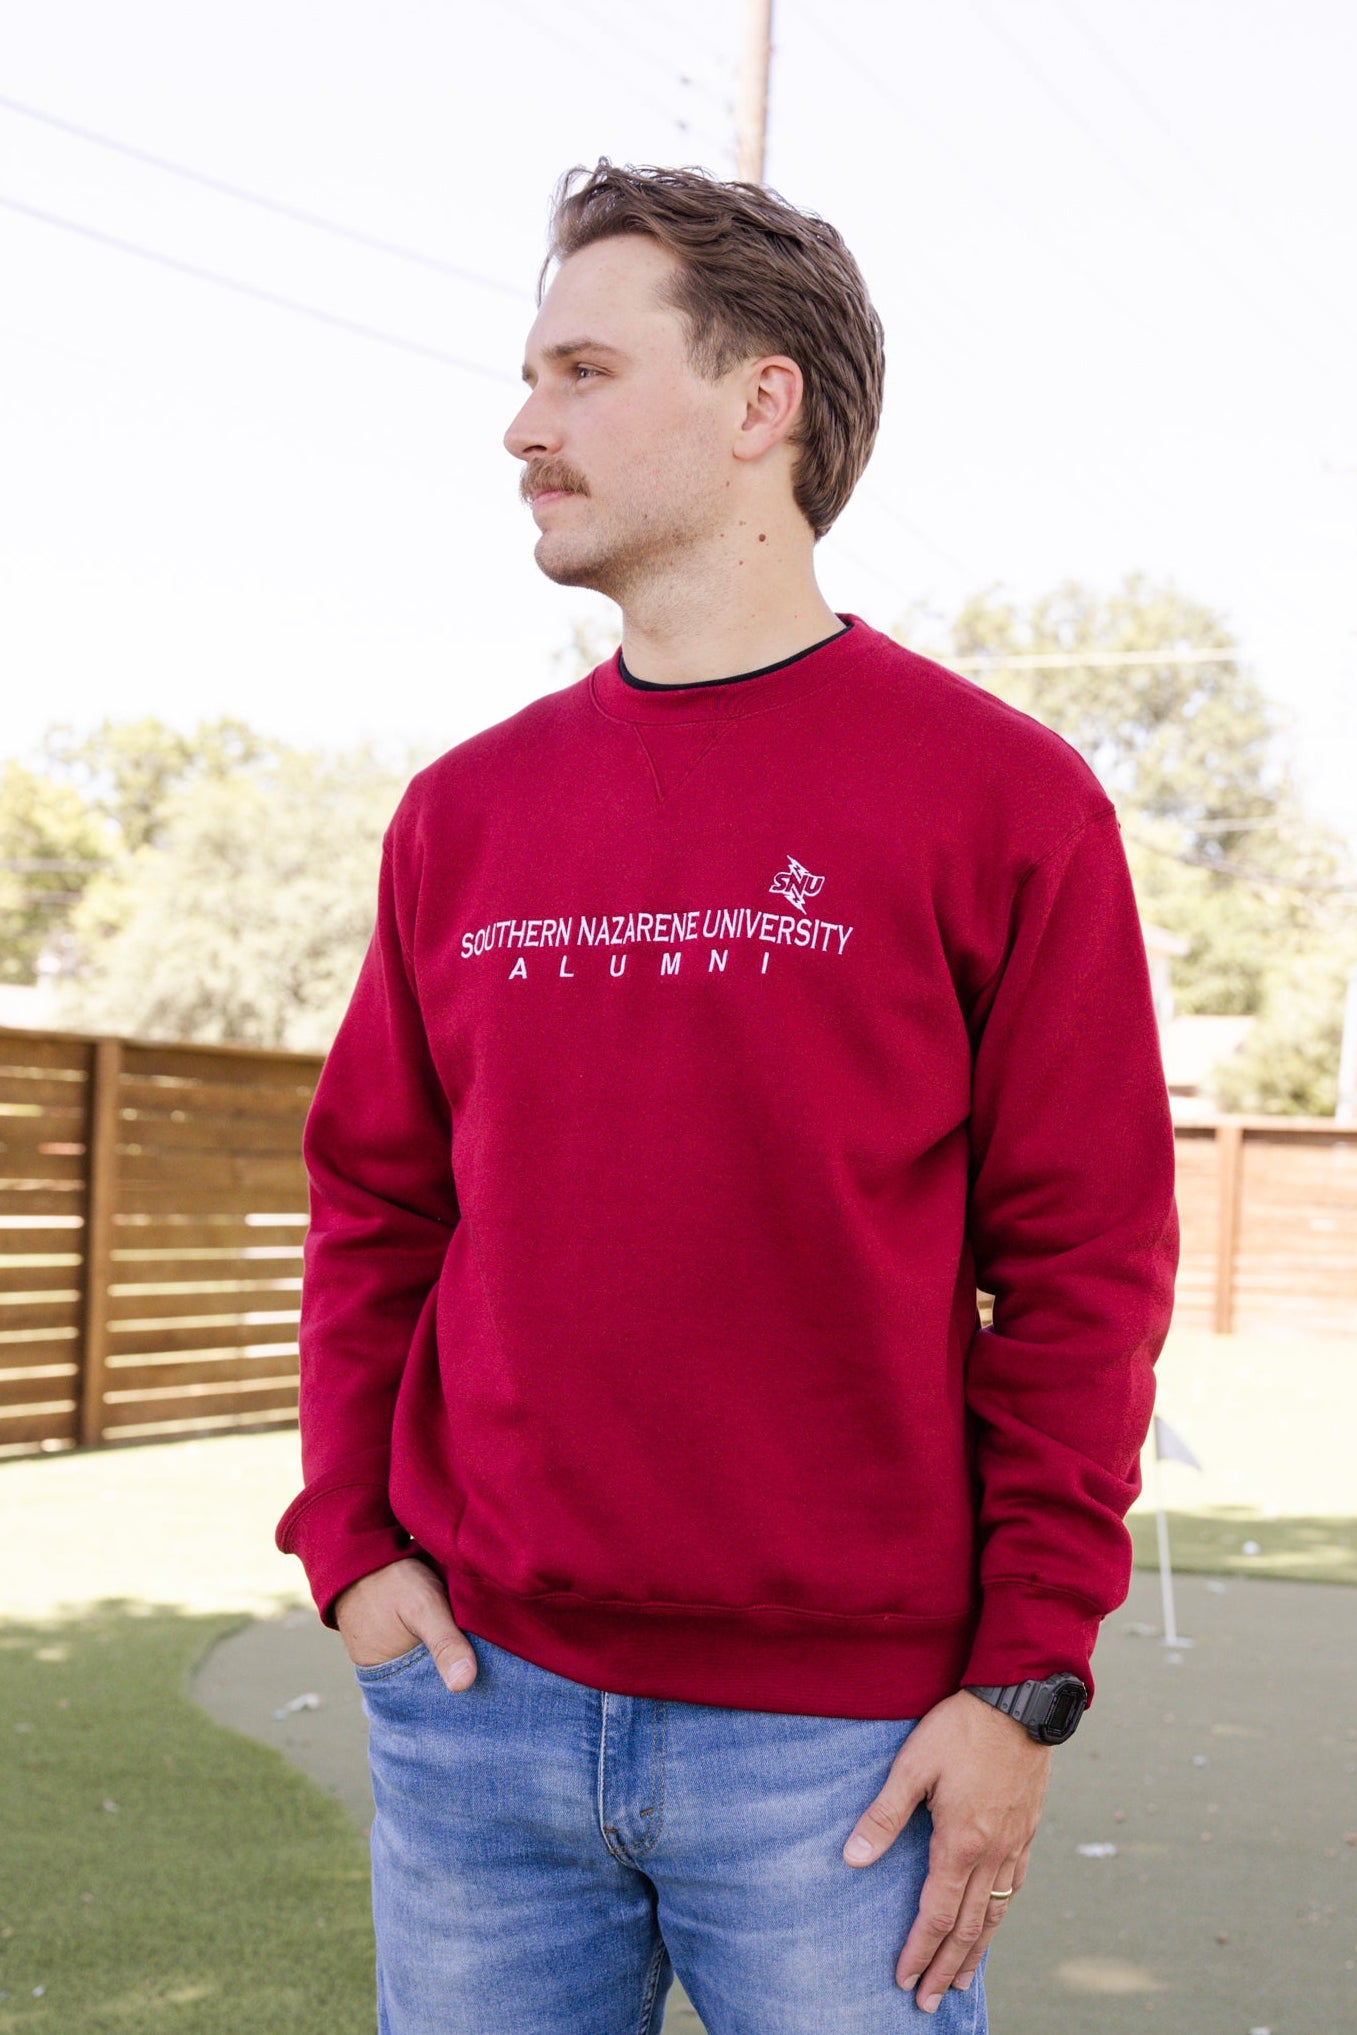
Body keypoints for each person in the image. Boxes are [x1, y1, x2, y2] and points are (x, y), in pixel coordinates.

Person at [276, 159, 1180, 2034]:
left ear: (763, 399)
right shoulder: (462, 811)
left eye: (584, 372)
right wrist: (353, 1549)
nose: (525, 426)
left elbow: (1086, 1266)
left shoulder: (999, 800)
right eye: (532, 377)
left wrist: (1022, 1682)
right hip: (477, 1711)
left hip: (841, 1755)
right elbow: (376, 1205)